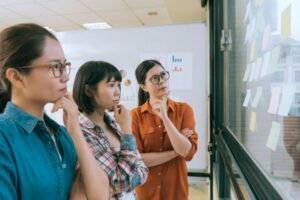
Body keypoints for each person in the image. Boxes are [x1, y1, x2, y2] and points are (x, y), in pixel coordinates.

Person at [0, 23, 109, 200]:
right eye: (54, 67)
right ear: (17, 77)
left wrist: (75, 130)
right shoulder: (4, 136)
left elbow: (100, 196)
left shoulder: (62, 135)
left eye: (64, 66)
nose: (65, 76)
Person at [72, 61, 148, 200]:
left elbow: (143, 171)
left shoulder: (113, 123)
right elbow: (122, 180)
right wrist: (126, 129)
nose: (118, 91)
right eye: (111, 85)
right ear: (88, 90)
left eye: (119, 85)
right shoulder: (81, 132)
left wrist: (119, 184)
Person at [131, 59, 198, 200]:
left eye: (163, 75)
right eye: (154, 78)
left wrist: (165, 119)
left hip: (176, 192)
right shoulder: (135, 115)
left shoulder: (184, 110)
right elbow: (137, 159)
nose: (161, 81)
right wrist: (176, 150)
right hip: (145, 193)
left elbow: (188, 153)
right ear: (143, 86)